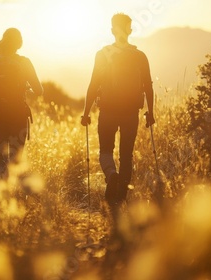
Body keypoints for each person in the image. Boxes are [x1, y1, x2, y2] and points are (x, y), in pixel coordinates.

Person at [81, 13, 155, 215]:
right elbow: (148, 86)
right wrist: (151, 112)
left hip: (108, 111)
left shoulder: (102, 54)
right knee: (126, 155)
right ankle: (120, 197)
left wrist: (85, 113)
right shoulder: (139, 56)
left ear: (112, 30)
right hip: (131, 112)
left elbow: (93, 84)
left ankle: (111, 175)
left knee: (105, 151)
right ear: (130, 30)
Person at [0, 28, 43, 178]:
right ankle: (15, 197)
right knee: (15, 161)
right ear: (19, 44)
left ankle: (0, 196)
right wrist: (25, 88)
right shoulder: (24, 62)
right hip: (18, 115)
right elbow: (39, 91)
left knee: (1, 161)